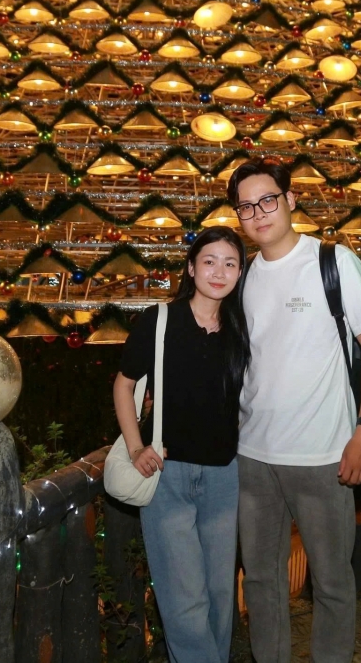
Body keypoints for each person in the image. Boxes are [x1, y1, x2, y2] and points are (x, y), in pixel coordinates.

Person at [228, 159, 361, 663]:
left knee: (333, 581)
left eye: (267, 200)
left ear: (290, 200)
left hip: (323, 456)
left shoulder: (332, 261)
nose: (259, 213)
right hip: (253, 456)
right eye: (246, 206)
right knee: (261, 580)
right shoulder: (242, 277)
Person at [112, 226, 251, 663]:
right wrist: (136, 447)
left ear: (240, 273)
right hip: (167, 475)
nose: (219, 272)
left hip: (225, 476)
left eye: (230, 263)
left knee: (219, 595)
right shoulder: (160, 320)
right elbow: (124, 384)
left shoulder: (242, 329)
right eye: (209, 261)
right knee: (182, 598)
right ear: (191, 268)